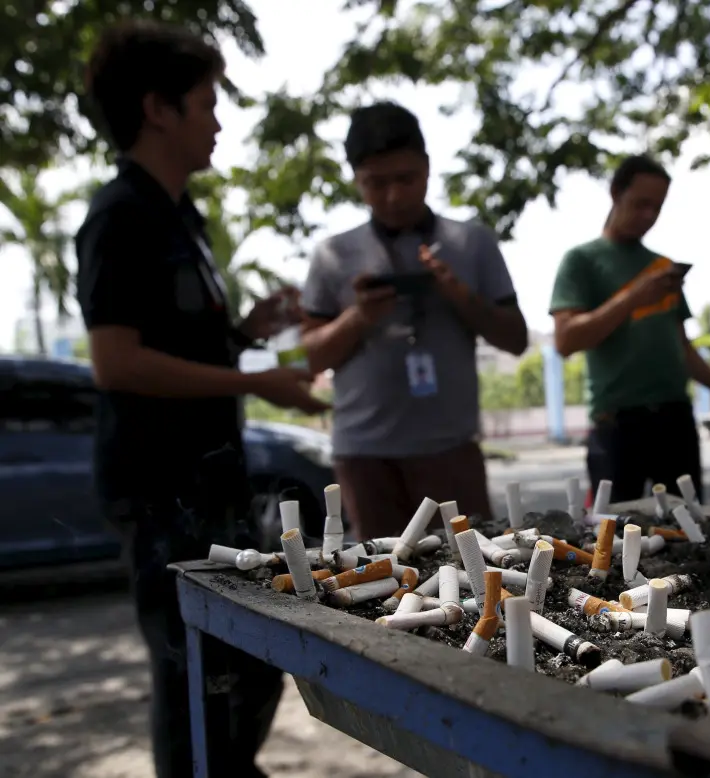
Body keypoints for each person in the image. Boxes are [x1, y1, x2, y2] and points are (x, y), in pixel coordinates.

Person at [75, 21, 329, 777]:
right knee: (197, 674)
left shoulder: (184, 219)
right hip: (160, 494)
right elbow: (116, 364)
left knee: (245, 670)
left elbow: (181, 352)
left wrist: (251, 331)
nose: (219, 121)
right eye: (208, 102)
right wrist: (257, 381)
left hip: (209, 481)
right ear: (159, 109)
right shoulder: (120, 217)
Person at [300, 101, 528, 538]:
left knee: (473, 579)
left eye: (406, 179)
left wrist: (458, 294)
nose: (394, 196)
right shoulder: (332, 255)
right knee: (378, 588)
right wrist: (357, 318)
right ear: (356, 180)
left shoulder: (472, 242)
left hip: (452, 451)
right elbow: (304, 359)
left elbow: (516, 338)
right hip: (366, 458)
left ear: (427, 167)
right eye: (375, 183)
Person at [549, 155, 710, 505]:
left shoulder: (662, 267)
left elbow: (681, 347)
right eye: (640, 204)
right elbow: (566, 341)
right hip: (617, 422)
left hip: (675, 420)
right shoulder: (581, 261)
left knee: (689, 535)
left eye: (657, 208)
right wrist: (632, 298)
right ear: (615, 193)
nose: (648, 216)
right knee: (611, 539)